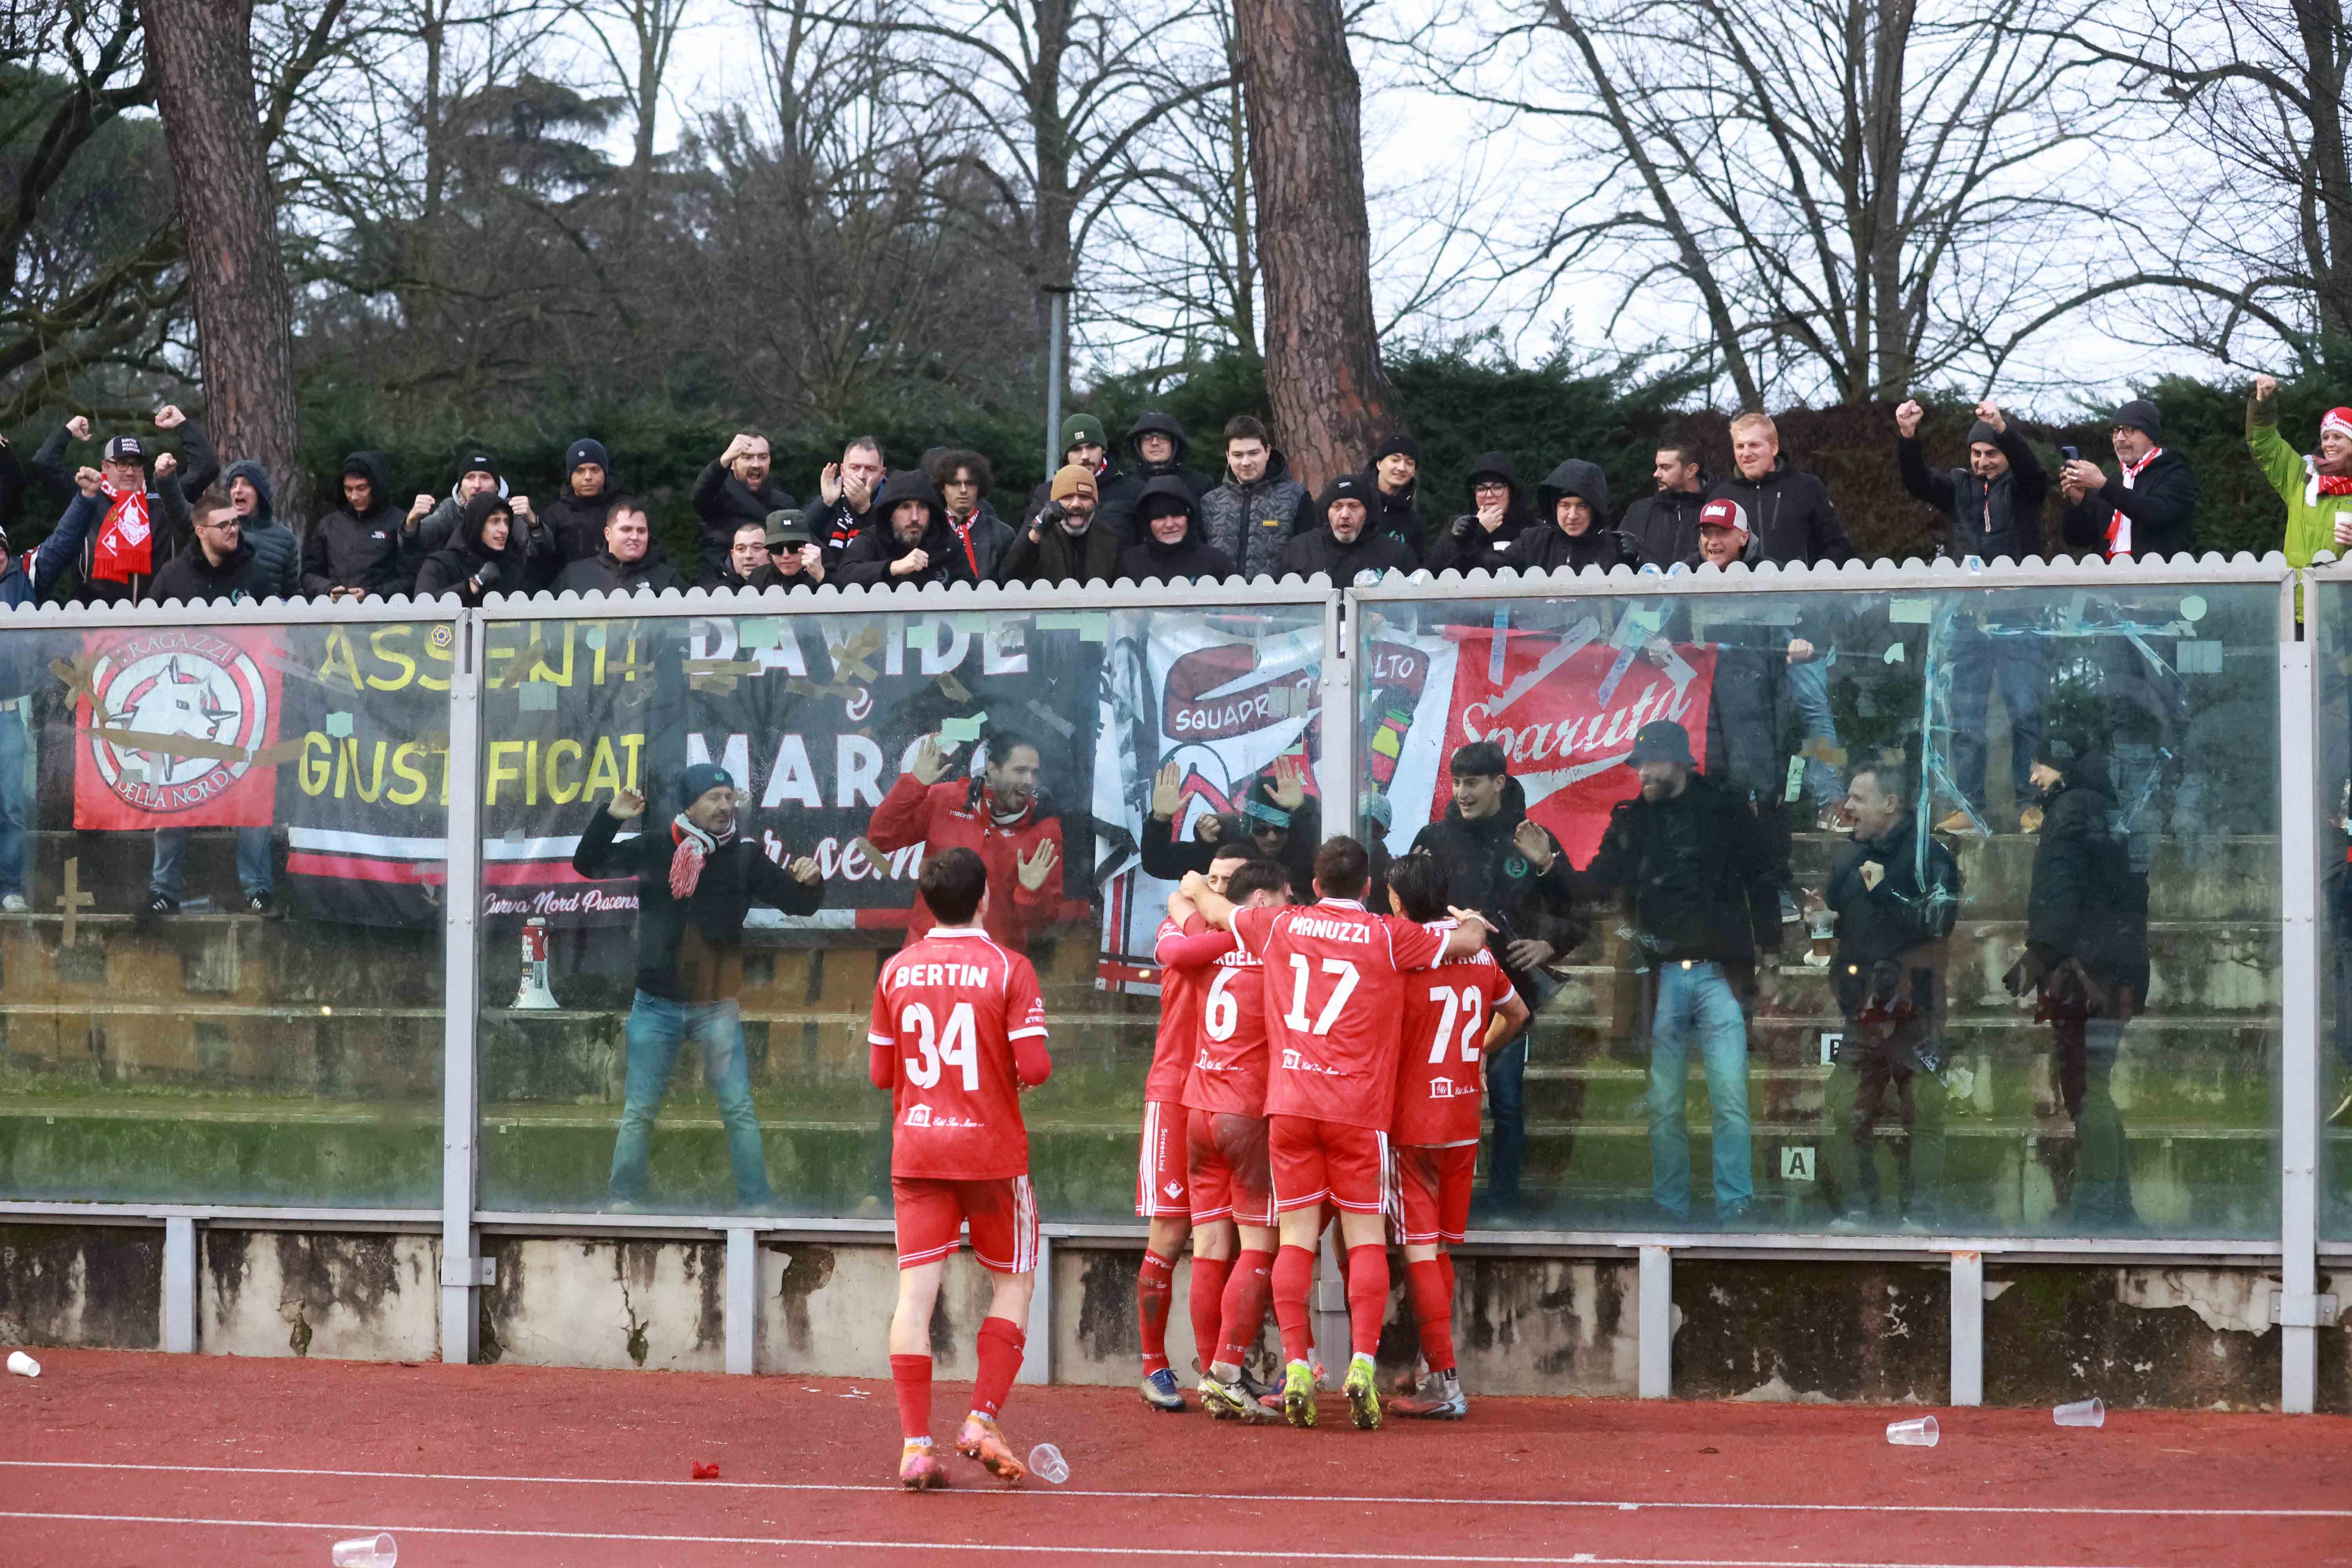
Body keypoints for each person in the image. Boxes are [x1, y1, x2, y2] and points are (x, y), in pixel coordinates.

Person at [1180, 837, 1491, 1431]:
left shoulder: (1282, 923)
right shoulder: (1387, 934)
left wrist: (1193, 889)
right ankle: (1363, 1365)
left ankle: (1298, 1365)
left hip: (1291, 1107)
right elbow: (1470, 943)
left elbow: (1218, 912)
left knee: (1296, 1238)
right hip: (1357, 1111)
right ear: (1369, 888)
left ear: (1317, 886)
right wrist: (1472, 918)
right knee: (1365, 1237)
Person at [871, 847, 1052, 1490]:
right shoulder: (1009, 967)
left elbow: (881, 1074)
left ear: (926, 903)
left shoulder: (896, 970)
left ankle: (915, 1447)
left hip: (919, 1151)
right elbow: (1035, 1069)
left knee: (915, 1297)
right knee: (1015, 1284)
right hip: (990, 1155)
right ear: (985, 899)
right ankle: (980, 1419)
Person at [573, 762, 826, 1210]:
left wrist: (813, 882)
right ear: (690, 805)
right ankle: (624, 1202)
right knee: (639, 1111)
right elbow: (587, 865)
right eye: (714, 797)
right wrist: (611, 817)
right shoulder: (657, 847)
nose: (725, 806)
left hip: (716, 1007)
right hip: (655, 1005)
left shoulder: (746, 857)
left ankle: (756, 1204)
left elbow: (799, 904)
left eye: (730, 797)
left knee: (739, 1109)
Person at [1578, 720, 1781, 1223]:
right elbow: (1597, 881)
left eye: (1650, 763)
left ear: (1677, 762)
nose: (1642, 773)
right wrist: (1549, 864)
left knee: (1730, 1095)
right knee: (1666, 1102)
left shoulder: (1725, 810)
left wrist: (1772, 958)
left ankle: (1735, 1203)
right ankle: (1672, 1206)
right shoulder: (1633, 821)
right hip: (1661, 975)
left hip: (1718, 972)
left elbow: (1763, 881)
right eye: (1639, 765)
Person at [1406, 741, 1579, 1214]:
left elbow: (1575, 908)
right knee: (1435, 1100)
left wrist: (1549, 944)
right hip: (1443, 995)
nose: (1462, 792)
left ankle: (1503, 1205)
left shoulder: (1532, 835)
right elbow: (1404, 906)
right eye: (1457, 782)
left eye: (1473, 782)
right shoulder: (1433, 838)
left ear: (1499, 783)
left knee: (1505, 1103)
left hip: (1510, 998)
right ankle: (1433, 1206)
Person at [1383, 851, 1526, 1419]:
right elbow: (1518, 1015)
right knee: (1438, 1246)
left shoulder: (1400, 951)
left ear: (1397, 901)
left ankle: (1445, 1383)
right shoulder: (1480, 952)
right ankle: (1430, 1366)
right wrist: (1476, 1053)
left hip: (1413, 1120)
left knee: (1419, 1248)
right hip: (1462, 1115)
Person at [1131, 841, 1263, 1412]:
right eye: (1212, 879)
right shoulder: (1184, 926)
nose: (1217, 889)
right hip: (1174, 1093)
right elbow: (1181, 955)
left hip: (1226, 1098)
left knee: (1227, 1240)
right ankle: (1153, 1364)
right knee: (1169, 1233)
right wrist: (1237, 927)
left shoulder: (1239, 931)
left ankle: (1221, 1369)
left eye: (1229, 882)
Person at [2004, 731, 2145, 1229]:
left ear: (2060, 766)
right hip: (2117, 970)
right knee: (2094, 1088)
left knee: (2087, 1092)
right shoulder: (2107, 809)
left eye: (2039, 765)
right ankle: (2114, 1207)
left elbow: (2058, 893)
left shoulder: (2068, 812)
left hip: (2086, 976)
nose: (2032, 777)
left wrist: (2035, 958)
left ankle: (2098, 1211)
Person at [1167, 853, 1290, 1422]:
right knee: (1260, 1245)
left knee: (1211, 1247)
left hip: (1199, 1107)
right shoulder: (1273, 945)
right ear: (1261, 901)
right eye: (1285, 897)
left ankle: (1215, 1376)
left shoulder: (1208, 939)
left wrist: (1191, 893)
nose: (1290, 907)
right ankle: (1226, 1372)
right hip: (1246, 1112)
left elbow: (1183, 915)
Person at [1895, 397, 2050, 831]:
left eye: (1992, 454)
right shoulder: (1959, 486)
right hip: (1968, 618)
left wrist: (2002, 428)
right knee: (1965, 715)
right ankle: (1968, 805)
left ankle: (2031, 804)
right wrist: (1907, 436)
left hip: (2020, 616)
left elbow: (2035, 474)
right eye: (1977, 454)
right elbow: (1917, 482)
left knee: (2027, 712)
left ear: (2006, 454)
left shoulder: (2022, 489)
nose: (1983, 462)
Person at [1818, 761, 1957, 1232]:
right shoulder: (1850, 860)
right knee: (1843, 1110)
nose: (1848, 807)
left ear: (1891, 803)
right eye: (1848, 798)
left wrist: (1885, 891)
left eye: (1858, 798)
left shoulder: (1930, 857)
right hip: (1862, 1015)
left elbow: (1938, 924)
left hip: (1916, 1014)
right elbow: (1836, 921)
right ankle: (1859, 1209)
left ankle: (1922, 1216)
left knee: (1925, 1115)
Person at [140, 500, 279, 920]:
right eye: (224, 525)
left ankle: (258, 888)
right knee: (174, 794)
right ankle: (163, 889)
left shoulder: (256, 575)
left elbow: (282, 629)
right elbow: (142, 634)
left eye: (236, 523)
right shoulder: (173, 576)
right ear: (201, 531)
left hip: (246, 707)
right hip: (184, 713)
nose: (234, 530)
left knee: (252, 796)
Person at [1710, 414, 1851, 816]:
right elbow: (1708, 557)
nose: (1746, 453)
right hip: (1742, 628)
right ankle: (1756, 804)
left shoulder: (1806, 487)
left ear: (1774, 447)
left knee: (1813, 708)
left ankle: (1831, 799)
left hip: (1800, 624)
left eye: (1754, 445)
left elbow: (1838, 548)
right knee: (1748, 715)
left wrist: (1807, 595)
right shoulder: (1721, 494)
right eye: (1739, 446)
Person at [0, 468, 107, 911]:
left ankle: (10, 888)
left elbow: (62, 543)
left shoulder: (25, 575)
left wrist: (85, 499)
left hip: (9, 712)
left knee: (11, 806)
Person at [868, 730, 1062, 953]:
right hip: (929, 957)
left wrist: (1031, 892)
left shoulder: (1044, 830)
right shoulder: (946, 800)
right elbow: (881, 838)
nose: (1029, 781)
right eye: (1020, 771)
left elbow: (1042, 923)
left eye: (1034, 773)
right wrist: (914, 784)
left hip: (993, 963)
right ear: (993, 769)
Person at [2059, 399, 2196, 562]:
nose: (2120, 439)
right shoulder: (2115, 481)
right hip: (2111, 576)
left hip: (2158, 575)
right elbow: (2078, 539)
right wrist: (2078, 503)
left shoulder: (2176, 473)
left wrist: (2104, 486)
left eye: (2128, 430)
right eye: (2116, 431)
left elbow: (2155, 513)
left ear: (2150, 436)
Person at [65, 432, 191, 605]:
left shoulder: (163, 498)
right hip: (96, 612)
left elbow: (207, 469)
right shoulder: (89, 497)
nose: (130, 472)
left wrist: (182, 426)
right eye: (122, 464)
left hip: (157, 612)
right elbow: (45, 463)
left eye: (137, 464)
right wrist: (68, 431)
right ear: (105, 467)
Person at [2247, 374, 2352, 574]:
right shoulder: (2302, 477)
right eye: (2326, 437)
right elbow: (2265, 445)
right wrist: (2263, 404)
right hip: (2296, 591)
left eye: (2338, 437)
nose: (2329, 444)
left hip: (2343, 593)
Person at [1198, 416, 1314, 581]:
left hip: (1280, 596)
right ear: (1228, 456)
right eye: (1238, 455)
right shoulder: (1210, 503)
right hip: (1222, 596)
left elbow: (1308, 558)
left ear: (1267, 452)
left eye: (1253, 453)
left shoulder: (1296, 498)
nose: (1246, 462)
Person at [837, 471, 976, 588]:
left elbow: (971, 593)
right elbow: (844, 576)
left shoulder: (947, 544)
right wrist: (893, 568)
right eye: (905, 507)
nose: (915, 517)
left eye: (922, 507)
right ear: (890, 513)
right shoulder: (872, 539)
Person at [304, 452, 412, 600]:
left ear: (376, 486)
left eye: (361, 488)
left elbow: (411, 579)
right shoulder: (328, 525)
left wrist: (371, 594)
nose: (354, 497)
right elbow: (309, 574)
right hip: (333, 610)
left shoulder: (401, 523)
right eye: (348, 489)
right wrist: (328, 590)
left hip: (382, 611)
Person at [693, 430, 797, 583]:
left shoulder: (785, 504)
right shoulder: (716, 498)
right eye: (747, 458)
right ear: (732, 464)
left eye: (763, 457)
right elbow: (699, 496)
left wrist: (825, 503)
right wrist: (723, 461)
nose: (756, 464)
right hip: (720, 583)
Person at [1504, 459, 1642, 573]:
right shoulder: (1532, 542)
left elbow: (1644, 594)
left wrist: (1634, 565)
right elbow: (1495, 568)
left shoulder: (1613, 550)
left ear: (1595, 510)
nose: (1573, 516)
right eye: (1565, 506)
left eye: (1582, 506)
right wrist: (1488, 531)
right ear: (1555, 508)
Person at [1098, 411, 1214, 541]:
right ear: (1139, 445)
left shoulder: (1201, 484)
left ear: (1174, 443)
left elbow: (1212, 533)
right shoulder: (1124, 487)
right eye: (1147, 438)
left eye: (1162, 437)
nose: (1155, 443)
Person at [995, 466, 1120, 586]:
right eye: (1067, 497)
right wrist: (1038, 529)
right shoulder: (1039, 537)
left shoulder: (1110, 540)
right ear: (1055, 503)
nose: (1076, 504)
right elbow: (1007, 577)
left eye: (1084, 497)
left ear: (1095, 503)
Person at [1281, 472, 1413, 583]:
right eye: (1337, 507)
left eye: (1354, 507)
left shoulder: (1397, 554)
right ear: (1327, 512)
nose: (1345, 515)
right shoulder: (1300, 549)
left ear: (1367, 512)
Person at [1426, 453, 1536, 574]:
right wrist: (1476, 531)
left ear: (1512, 491)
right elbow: (1432, 570)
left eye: (1498, 487)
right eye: (1482, 489)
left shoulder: (1530, 526)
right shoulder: (1459, 525)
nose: (1489, 495)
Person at [552, 498, 686, 595]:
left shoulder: (668, 579)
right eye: (626, 530)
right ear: (608, 534)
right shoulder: (574, 576)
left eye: (641, 531)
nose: (635, 537)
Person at [415, 492, 528, 606]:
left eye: (507, 522)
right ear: (477, 524)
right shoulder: (441, 564)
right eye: (495, 521)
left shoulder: (513, 569)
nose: (504, 530)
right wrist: (473, 585)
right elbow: (422, 607)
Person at [1116, 477, 1237, 584]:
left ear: (1189, 517)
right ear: (1147, 522)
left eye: (1177, 515)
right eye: (1159, 517)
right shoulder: (1130, 563)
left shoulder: (1216, 562)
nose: (1170, 525)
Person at [218, 459, 303, 602]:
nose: (238, 490)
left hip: (271, 614)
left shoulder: (285, 538)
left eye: (246, 484)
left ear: (260, 492)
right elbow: (183, 514)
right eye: (233, 484)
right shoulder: (219, 530)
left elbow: (292, 594)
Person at [1618, 443, 1711, 567]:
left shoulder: (1714, 510)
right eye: (1657, 467)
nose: (1656, 474)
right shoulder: (1639, 511)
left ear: (1691, 471)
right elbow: (1618, 561)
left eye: (1665, 468)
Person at [1024, 413, 1118, 523]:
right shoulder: (1046, 493)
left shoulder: (1130, 489)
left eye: (1092, 447)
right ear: (1066, 456)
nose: (1085, 456)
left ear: (1103, 450)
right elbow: (1027, 535)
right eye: (1076, 449)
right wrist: (1042, 521)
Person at [811, 436, 887, 567]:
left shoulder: (893, 505)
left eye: (870, 469)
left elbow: (889, 551)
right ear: (843, 470)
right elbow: (798, 541)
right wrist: (826, 504)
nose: (861, 476)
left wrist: (866, 511)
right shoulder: (830, 498)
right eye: (855, 468)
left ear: (882, 474)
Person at [546, 437, 618, 564]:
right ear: (570, 476)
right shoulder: (553, 516)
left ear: (605, 473)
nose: (588, 477)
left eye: (595, 470)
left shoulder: (623, 511)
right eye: (580, 471)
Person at [1368, 433, 1427, 562]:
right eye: (1395, 460)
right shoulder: (1355, 501)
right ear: (1379, 464)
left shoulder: (1412, 521)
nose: (1402, 468)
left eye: (1410, 463)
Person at [762, 509, 826, 591]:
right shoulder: (759, 577)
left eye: (794, 547)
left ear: (808, 546)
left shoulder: (828, 572)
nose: (786, 555)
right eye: (776, 548)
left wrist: (820, 575)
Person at [709, 518, 779, 592]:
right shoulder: (716, 593)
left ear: (771, 552)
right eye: (741, 549)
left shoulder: (784, 586)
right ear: (733, 555)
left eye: (757, 548)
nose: (748, 556)